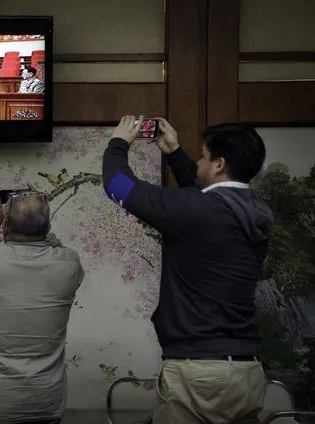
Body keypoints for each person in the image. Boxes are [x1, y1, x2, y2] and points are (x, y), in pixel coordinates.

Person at [102, 116, 272, 424]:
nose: (197, 161)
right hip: (247, 371)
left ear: (219, 164)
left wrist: (119, 143)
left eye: (203, 156)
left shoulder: (196, 210)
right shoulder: (256, 210)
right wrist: (175, 153)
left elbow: (117, 184)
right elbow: (205, 200)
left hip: (200, 373)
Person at [0, 190, 85, 424]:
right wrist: (38, 219)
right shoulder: (69, 263)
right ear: (47, 226)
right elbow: (55, 245)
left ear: (5, 225)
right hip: (45, 401)